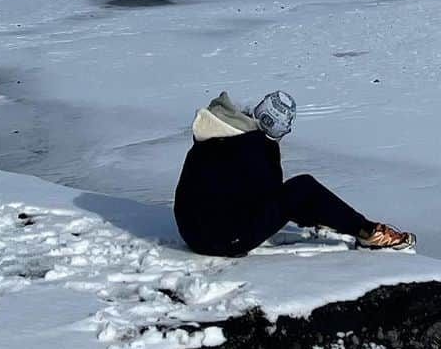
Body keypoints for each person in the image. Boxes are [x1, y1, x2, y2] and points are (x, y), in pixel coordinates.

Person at [174, 89, 415, 256]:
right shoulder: (257, 147)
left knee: (292, 195)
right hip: (222, 241)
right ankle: (367, 232)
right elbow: (272, 198)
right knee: (303, 188)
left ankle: (331, 218)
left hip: (189, 230)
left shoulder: (217, 132)